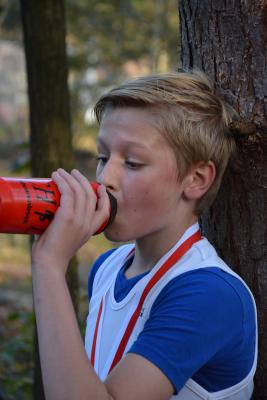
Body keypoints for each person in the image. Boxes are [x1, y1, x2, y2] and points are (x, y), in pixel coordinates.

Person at [31, 71, 257, 400]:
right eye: (102, 158)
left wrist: (50, 266)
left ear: (196, 179)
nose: (105, 178)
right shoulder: (107, 268)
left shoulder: (211, 295)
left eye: (133, 163)